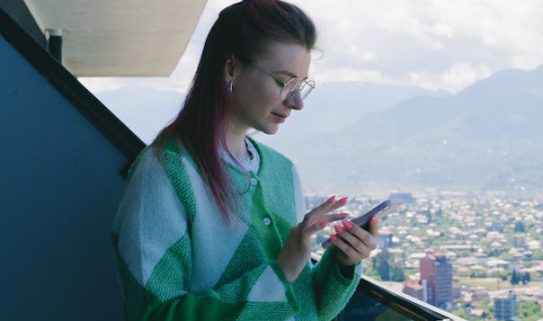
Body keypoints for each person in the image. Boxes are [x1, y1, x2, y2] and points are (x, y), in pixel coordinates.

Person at [110, 1, 379, 320]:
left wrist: (341, 263)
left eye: (301, 86)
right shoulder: (165, 172)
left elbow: (301, 308)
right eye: (284, 82)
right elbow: (156, 315)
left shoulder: (283, 172)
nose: (296, 103)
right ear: (231, 69)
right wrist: (282, 270)